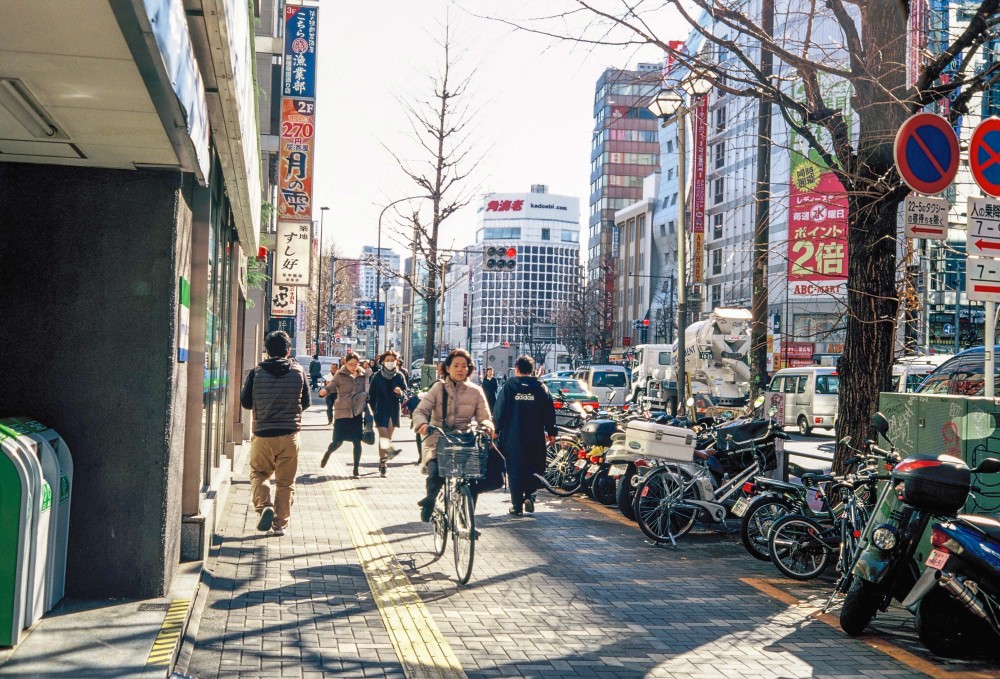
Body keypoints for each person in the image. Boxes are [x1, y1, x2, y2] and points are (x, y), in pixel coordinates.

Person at [239, 330, 310, 536]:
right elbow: (305, 402)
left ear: (266, 351)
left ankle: (264, 507)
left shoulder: (256, 372)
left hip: (263, 434)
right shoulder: (298, 372)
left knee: (260, 473)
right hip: (290, 434)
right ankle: (280, 525)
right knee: (286, 482)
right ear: (288, 350)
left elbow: (245, 403)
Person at [411, 349, 494, 522]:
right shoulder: (438, 387)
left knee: (472, 479)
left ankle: (467, 520)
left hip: (464, 439)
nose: (460, 369)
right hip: (437, 437)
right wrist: (423, 424)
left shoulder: (476, 391)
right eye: (456, 365)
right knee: (435, 470)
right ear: (447, 368)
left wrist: (487, 426)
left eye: (464, 366)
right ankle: (430, 501)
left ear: (469, 369)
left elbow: (484, 417)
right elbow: (420, 410)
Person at [493, 355, 556, 518]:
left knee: (514, 469)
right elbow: (549, 411)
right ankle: (529, 495)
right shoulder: (541, 387)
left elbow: (499, 410)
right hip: (535, 436)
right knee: (533, 467)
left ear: (517, 368)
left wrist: (495, 429)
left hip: (512, 436)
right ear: (532, 370)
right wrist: (552, 432)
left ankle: (516, 506)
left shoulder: (509, 386)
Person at [321, 354, 372, 478]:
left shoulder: (363, 375)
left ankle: (356, 469)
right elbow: (331, 386)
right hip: (342, 411)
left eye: (355, 364)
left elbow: (367, 391)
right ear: (345, 363)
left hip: (356, 411)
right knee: (337, 441)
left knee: (357, 441)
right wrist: (324, 391)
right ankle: (328, 453)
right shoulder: (340, 374)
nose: (353, 367)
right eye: (350, 364)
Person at [368, 350, 408, 476]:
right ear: (383, 362)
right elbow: (371, 395)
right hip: (380, 409)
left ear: (396, 361)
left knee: (387, 437)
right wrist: (373, 411)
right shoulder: (377, 376)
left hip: (393, 409)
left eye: (392, 360)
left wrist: (400, 392)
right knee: (384, 435)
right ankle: (385, 459)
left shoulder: (399, 376)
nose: (390, 362)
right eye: (388, 360)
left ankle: (383, 460)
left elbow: (406, 393)